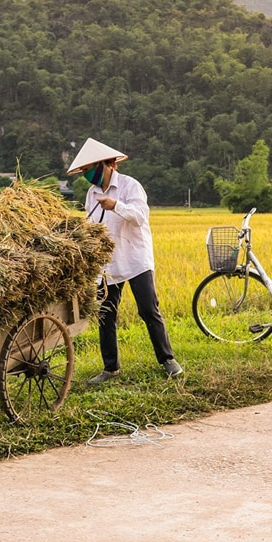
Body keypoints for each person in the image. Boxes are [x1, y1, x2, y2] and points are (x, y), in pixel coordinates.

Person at [66, 138, 183, 383]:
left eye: (89, 169)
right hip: (107, 264)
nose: (87, 175)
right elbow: (91, 225)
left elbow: (140, 217)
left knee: (149, 309)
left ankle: (167, 359)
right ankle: (110, 368)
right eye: (84, 171)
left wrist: (115, 205)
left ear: (106, 165)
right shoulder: (92, 193)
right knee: (106, 314)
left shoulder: (130, 186)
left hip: (134, 259)